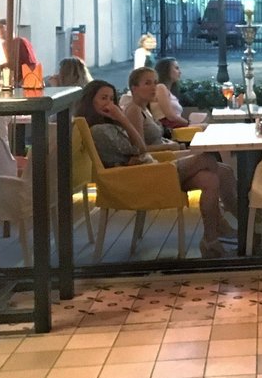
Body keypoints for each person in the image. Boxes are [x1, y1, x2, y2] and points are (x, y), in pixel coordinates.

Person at [78, 74, 237, 258]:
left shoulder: (111, 124)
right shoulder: (99, 130)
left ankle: (211, 240)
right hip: (142, 178)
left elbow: (139, 150)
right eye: (103, 98)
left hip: (150, 170)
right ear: (90, 101)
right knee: (208, 159)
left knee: (211, 178)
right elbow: (141, 148)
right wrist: (122, 119)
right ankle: (244, 223)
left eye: (112, 99)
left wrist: (121, 122)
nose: (110, 104)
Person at [153, 57, 202, 128]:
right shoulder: (160, 87)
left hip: (175, 125)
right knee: (206, 127)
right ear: (166, 71)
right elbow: (170, 116)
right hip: (169, 127)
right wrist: (188, 123)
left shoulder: (169, 91)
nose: (180, 72)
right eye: (176, 68)